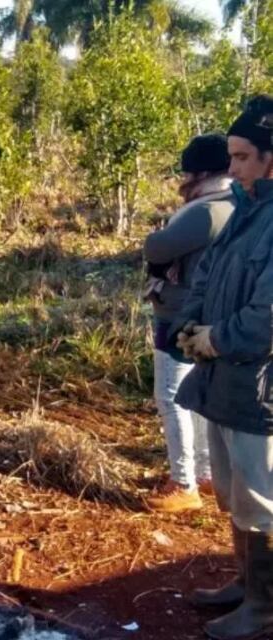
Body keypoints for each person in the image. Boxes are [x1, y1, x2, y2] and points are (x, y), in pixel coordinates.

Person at [172, 96, 273, 640]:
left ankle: (264, 607)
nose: (230, 168)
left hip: (260, 388)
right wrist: (191, 324)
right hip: (224, 380)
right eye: (231, 156)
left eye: (241, 157)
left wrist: (214, 339)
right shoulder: (244, 210)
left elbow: (267, 317)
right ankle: (245, 582)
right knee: (234, 493)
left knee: (261, 499)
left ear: (271, 159)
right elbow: (207, 275)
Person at [143, 135, 234, 513]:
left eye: (187, 172)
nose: (182, 179)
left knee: (171, 396)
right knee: (195, 396)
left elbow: (156, 248)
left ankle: (183, 484)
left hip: (179, 314)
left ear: (201, 173)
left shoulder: (205, 211)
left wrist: (155, 237)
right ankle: (205, 473)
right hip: (210, 315)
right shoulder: (236, 203)